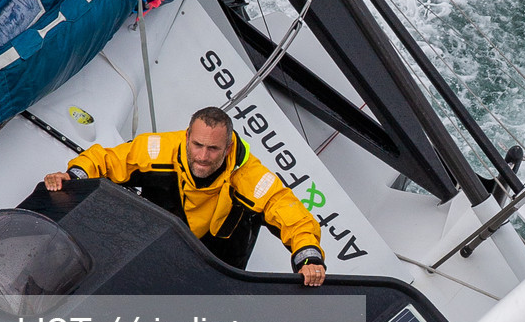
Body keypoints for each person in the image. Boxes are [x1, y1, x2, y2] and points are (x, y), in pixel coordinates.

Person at [45, 104, 327, 284]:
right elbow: (109, 159)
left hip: (215, 274)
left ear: (228, 148)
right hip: (154, 252)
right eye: (197, 145)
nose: (202, 156)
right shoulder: (159, 149)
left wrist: (309, 260)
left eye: (213, 149)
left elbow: (290, 214)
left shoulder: (250, 177)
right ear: (187, 136)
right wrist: (73, 176)